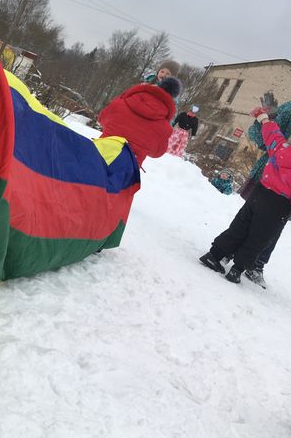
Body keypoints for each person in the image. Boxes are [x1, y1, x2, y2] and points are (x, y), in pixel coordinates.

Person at [199, 106, 291, 284]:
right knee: (258, 238)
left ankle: (214, 255)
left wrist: (263, 117)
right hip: (279, 204)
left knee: (239, 226)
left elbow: (272, 133)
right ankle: (237, 270)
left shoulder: (282, 148)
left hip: (260, 192)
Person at [236, 100, 291, 287]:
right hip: (271, 175)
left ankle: (255, 263)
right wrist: (265, 119)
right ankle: (237, 254)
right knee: (251, 218)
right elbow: (259, 139)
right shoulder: (288, 109)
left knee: (273, 226)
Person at [97, 77, 183, 167]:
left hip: (97, 157)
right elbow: (157, 152)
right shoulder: (164, 129)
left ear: (159, 85)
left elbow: (101, 118)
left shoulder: (119, 104)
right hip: (125, 170)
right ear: (173, 97)